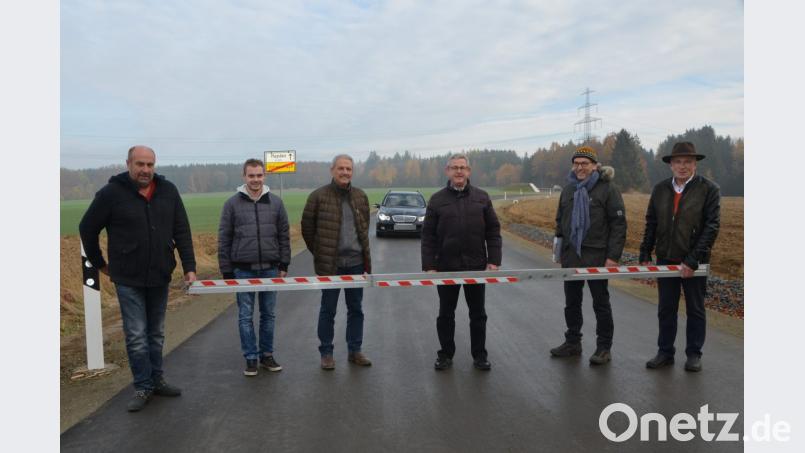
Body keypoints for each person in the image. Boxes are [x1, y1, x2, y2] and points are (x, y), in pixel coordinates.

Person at [79, 146, 196, 412]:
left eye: (150, 164)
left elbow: (182, 230)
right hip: (127, 278)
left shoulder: (168, 191)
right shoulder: (111, 194)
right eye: (140, 164)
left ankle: (157, 380)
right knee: (136, 335)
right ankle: (143, 386)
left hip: (160, 275)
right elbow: (87, 227)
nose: (145, 170)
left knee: (156, 334)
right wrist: (100, 264)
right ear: (128, 164)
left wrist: (189, 267)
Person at [640, 142, 720, 372]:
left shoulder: (709, 189)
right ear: (671, 165)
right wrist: (645, 250)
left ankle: (694, 354)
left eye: (687, 162)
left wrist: (692, 260)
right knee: (666, 309)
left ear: (695, 164)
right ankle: (665, 352)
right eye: (678, 162)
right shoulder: (660, 189)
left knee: (695, 309)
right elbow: (651, 222)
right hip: (666, 258)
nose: (682, 166)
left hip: (695, 261)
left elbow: (711, 227)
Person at [421, 154, 502, 371]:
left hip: (476, 267)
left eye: (462, 168)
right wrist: (429, 265)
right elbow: (428, 236)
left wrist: (494, 260)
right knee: (446, 314)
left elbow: (493, 230)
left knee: (478, 314)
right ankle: (445, 354)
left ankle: (480, 355)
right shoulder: (437, 200)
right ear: (447, 171)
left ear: (469, 171)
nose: (459, 171)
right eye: (454, 167)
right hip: (446, 268)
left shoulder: (482, 198)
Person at [549, 146, 626, 365]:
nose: (580, 167)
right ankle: (573, 342)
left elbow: (618, 225)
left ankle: (604, 347)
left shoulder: (608, 189)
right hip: (571, 255)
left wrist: (613, 257)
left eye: (585, 163)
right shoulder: (568, 190)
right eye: (576, 163)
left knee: (600, 303)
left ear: (594, 166)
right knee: (571, 302)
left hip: (597, 255)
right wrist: (558, 251)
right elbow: (560, 222)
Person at [218, 159, 290, 376]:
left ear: (264, 176)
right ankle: (250, 358)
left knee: (268, 315)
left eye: (259, 175)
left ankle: (266, 355)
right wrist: (226, 269)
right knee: (245, 316)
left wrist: (284, 262)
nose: (255, 179)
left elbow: (284, 235)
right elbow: (224, 238)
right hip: (243, 270)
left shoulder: (276, 203)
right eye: (251, 175)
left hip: (270, 268)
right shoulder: (231, 204)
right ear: (244, 177)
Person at [301, 154, 372, 370]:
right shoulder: (318, 196)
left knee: (356, 309)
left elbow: (364, 227)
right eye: (341, 168)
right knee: (328, 310)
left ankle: (355, 350)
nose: (345, 172)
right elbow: (307, 229)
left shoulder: (360, 196)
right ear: (332, 170)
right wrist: (321, 252)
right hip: (331, 265)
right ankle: (326, 353)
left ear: (352, 172)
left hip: (356, 264)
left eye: (348, 169)